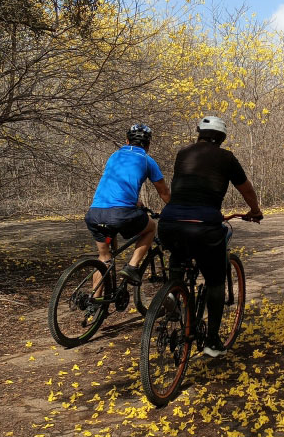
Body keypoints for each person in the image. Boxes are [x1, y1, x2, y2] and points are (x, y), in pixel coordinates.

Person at [158, 116, 262, 357]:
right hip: (204, 226)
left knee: (178, 250)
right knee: (215, 280)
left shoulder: (183, 153)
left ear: (199, 134)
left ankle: (174, 292)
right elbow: (245, 189)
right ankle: (213, 341)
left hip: (169, 222)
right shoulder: (226, 158)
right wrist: (255, 211)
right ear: (221, 138)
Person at [85, 124, 171, 289]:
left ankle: (94, 302)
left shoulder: (115, 156)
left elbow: (116, 187)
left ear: (126, 141)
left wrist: (134, 202)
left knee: (103, 258)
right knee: (151, 227)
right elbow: (164, 193)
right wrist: (176, 209)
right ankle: (132, 266)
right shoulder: (147, 160)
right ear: (148, 145)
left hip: (95, 213)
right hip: (120, 214)